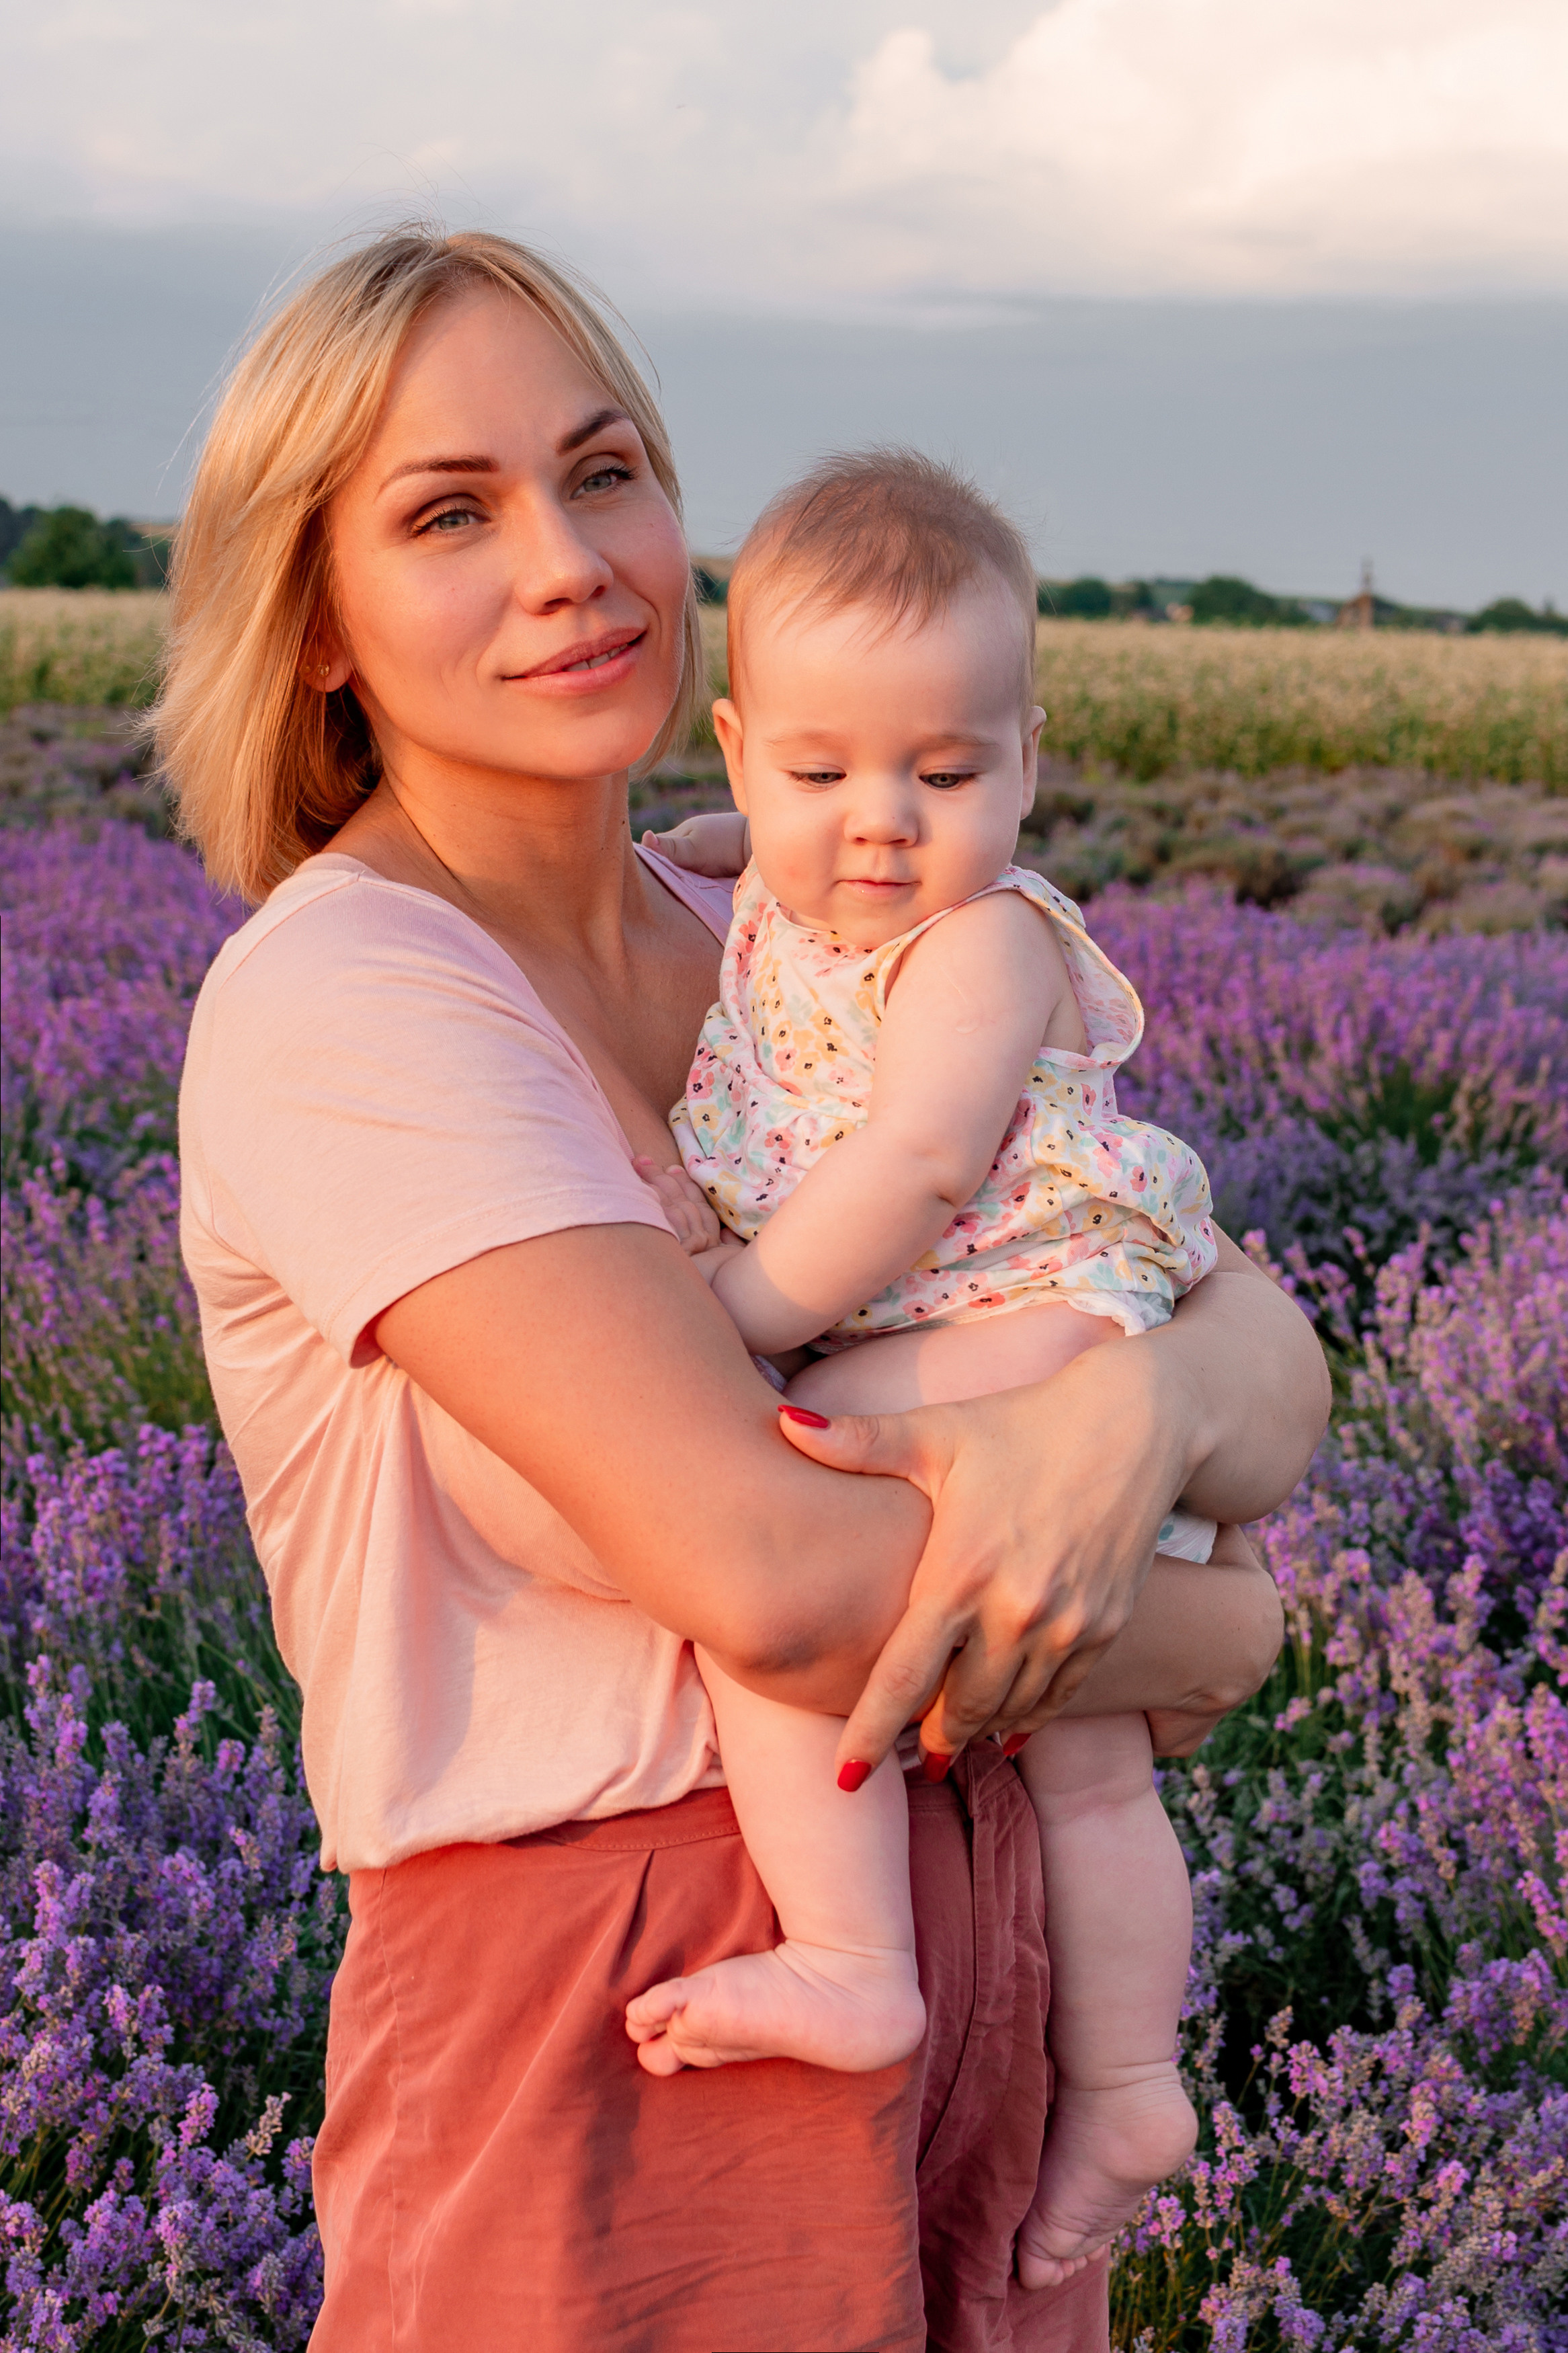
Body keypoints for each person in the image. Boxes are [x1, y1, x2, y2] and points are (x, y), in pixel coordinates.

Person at [165, 225, 1328, 2352]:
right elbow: (770, 1569)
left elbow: (1251, 1338)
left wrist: (1138, 1419)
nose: (571, 559)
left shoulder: (777, 920)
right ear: (318, 622)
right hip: (629, 1995)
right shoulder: (350, 1000)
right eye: (452, 511)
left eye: (605, 472)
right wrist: (1223, 1620)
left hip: (978, 1926)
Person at [626, 450, 1257, 2288]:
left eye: (948, 772)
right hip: (992, 1340)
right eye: (823, 771)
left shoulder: (979, 946)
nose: (881, 821)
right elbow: (741, 846)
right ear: (740, 754)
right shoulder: (775, 875)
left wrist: (736, 1314)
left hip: (1028, 1335)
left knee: (760, 1532)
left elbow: (908, 1168)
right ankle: (1132, 2082)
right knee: (1091, 1777)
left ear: (1028, 766)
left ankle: (851, 1959)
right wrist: (692, 849)